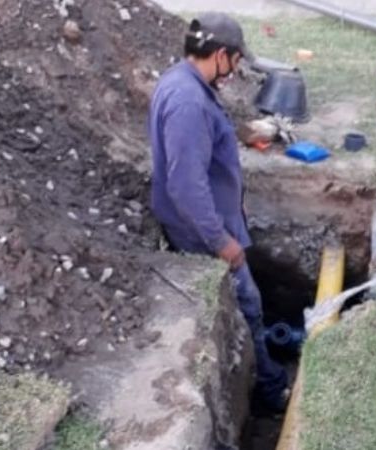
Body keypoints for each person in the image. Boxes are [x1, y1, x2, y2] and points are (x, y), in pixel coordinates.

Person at [148, 12, 288, 411]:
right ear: (221, 54)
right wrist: (220, 240)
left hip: (212, 217)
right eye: (237, 60)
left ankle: (266, 380)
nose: (236, 69)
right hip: (201, 229)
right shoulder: (188, 102)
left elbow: (199, 163)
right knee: (249, 304)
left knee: (249, 302)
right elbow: (186, 185)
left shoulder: (185, 82)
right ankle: (269, 389)